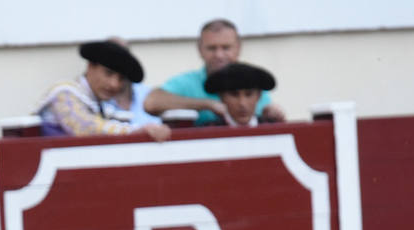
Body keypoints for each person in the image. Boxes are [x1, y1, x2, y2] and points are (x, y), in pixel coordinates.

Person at [144, 19, 285, 126]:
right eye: (212, 48)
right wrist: (206, 104)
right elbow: (151, 103)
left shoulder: (254, 81)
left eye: (226, 48)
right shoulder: (186, 83)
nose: (219, 55)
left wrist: (274, 114)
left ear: (238, 48)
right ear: (200, 50)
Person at [34, 41, 171, 141]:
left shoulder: (98, 103)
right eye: (109, 74)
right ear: (90, 67)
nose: (114, 84)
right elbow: (86, 127)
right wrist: (136, 130)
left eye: (121, 79)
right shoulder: (64, 93)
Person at [200, 62, 277, 127]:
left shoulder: (274, 128)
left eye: (249, 95)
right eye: (234, 95)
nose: (242, 103)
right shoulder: (208, 131)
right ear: (221, 97)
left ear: (259, 96)